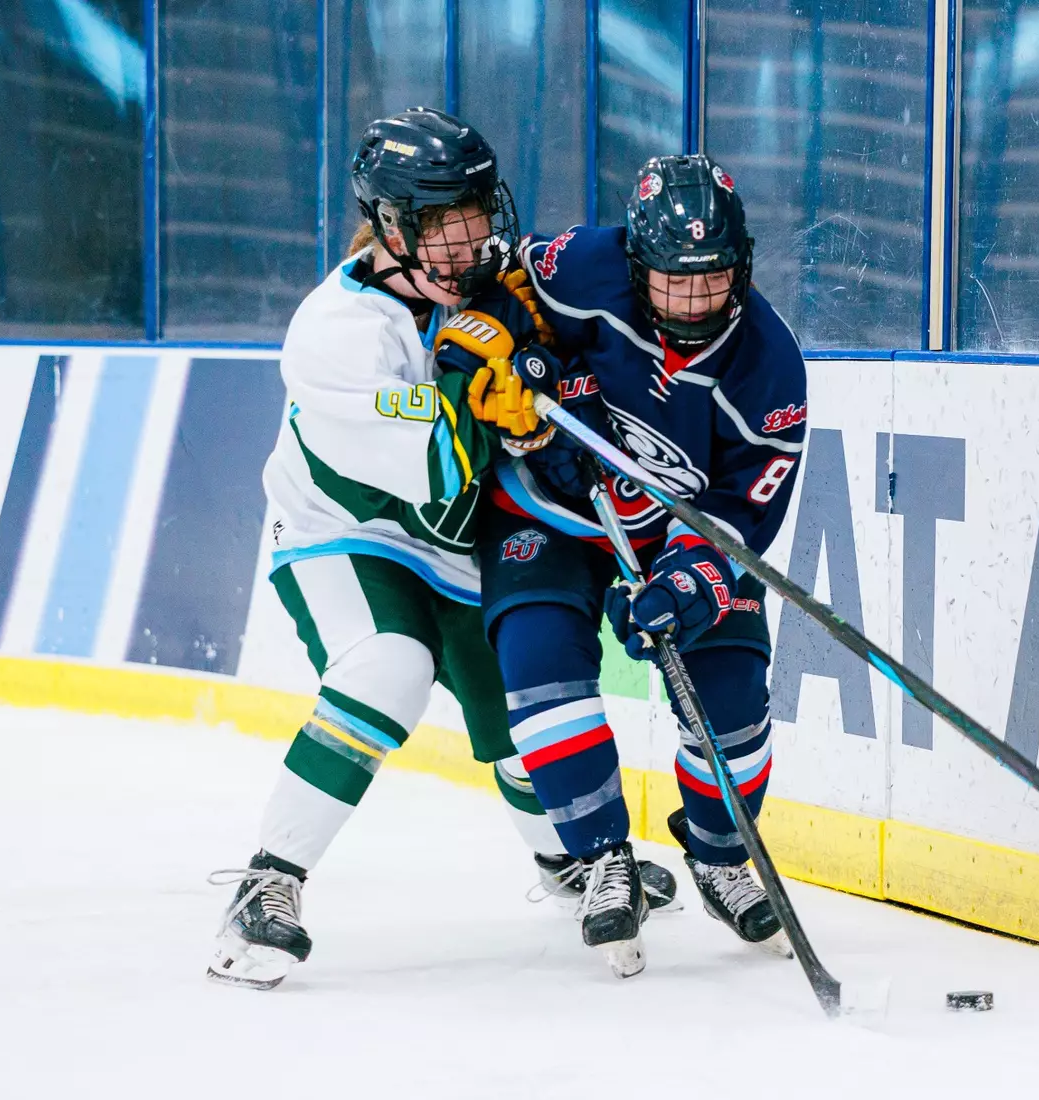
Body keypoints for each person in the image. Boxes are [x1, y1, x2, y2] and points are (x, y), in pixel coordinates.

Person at [205, 109, 675, 990]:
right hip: (344, 533)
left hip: (452, 540)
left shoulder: (496, 284)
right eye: (441, 222)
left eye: (475, 213)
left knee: (515, 702)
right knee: (390, 666)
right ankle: (267, 884)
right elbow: (435, 462)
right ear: (389, 226)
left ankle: (564, 862)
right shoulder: (337, 332)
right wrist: (477, 384)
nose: (470, 239)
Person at [463, 154, 808, 978]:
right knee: (540, 671)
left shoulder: (771, 371)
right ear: (634, 263)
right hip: (551, 508)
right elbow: (492, 299)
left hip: (675, 537)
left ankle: (721, 853)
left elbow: (741, 511)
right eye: (672, 281)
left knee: (731, 708)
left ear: (744, 265)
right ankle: (599, 858)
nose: (694, 300)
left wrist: (688, 583)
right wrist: (507, 362)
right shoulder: (585, 263)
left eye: (713, 279)